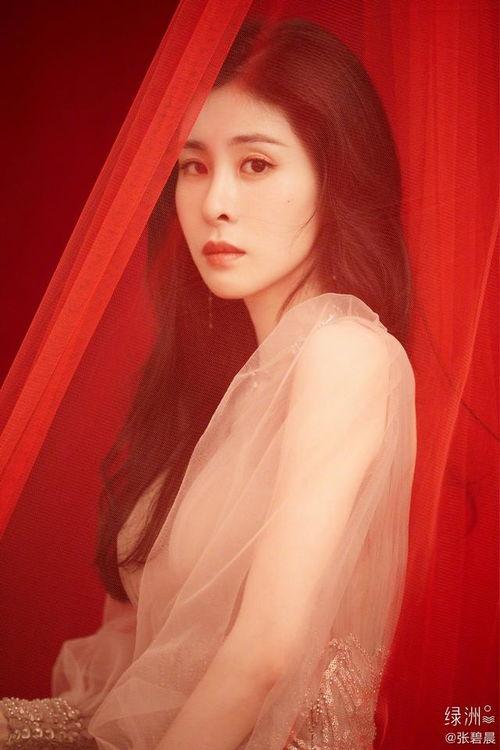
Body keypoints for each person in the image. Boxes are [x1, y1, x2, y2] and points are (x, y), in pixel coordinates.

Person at [0, 16, 417, 750]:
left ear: (335, 178)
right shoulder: (218, 383)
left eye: (255, 164)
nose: (214, 202)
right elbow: (130, 679)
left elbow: (263, 657)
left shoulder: (343, 351)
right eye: (192, 165)